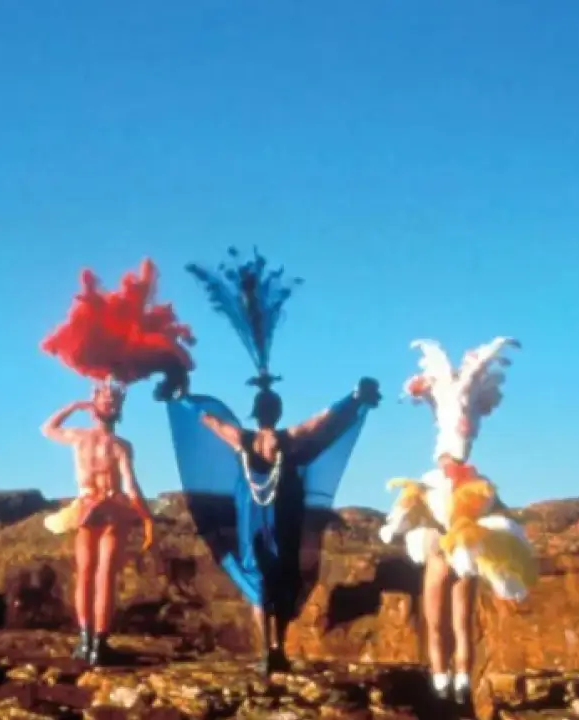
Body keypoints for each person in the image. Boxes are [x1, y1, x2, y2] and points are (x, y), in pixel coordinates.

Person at [163, 248, 382, 675]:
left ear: (258, 410)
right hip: (276, 513)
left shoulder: (248, 440)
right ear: (275, 410)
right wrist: (353, 398)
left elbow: (212, 422)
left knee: (261, 576)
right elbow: (320, 421)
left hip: (257, 512)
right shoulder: (284, 440)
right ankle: (275, 648)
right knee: (275, 574)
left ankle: (270, 648)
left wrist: (183, 400)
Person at [39, 258, 194, 666]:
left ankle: (90, 642)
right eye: (104, 397)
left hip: (92, 506)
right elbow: (131, 487)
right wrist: (145, 518)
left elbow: (49, 429)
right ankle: (95, 642)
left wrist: (77, 406)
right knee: (99, 573)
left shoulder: (85, 439)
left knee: (94, 573)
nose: (107, 399)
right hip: (106, 507)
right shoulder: (115, 443)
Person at [377, 337, 537, 707]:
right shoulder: (456, 482)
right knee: (448, 623)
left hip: (453, 552)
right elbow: (413, 506)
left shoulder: (462, 484)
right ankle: (448, 683)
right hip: (449, 552)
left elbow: (494, 515)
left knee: (449, 623)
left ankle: (451, 683)